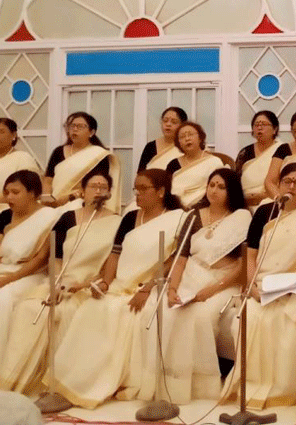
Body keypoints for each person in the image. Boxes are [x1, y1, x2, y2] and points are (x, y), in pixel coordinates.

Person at [53, 169, 186, 409]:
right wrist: (104, 282)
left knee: (123, 313)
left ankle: (115, 381)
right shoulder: (130, 217)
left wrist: (147, 288)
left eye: (144, 189)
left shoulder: (178, 218)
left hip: (155, 284)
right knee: (91, 309)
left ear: (161, 192)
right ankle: (72, 384)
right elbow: (115, 254)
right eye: (136, 188)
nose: (138, 194)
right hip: (120, 284)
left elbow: (174, 260)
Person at [222, 163, 296, 409]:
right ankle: (252, 386)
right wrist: (253, 285)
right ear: (278, 185)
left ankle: (286, 391)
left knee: (289, 323)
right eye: (286, 181)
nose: (291, 186)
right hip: (263, 284)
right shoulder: (264, 212)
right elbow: (251, 255)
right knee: (248, 319)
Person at [137, 168, 250, 404]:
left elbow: (242, 266)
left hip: (223, 280)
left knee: (201, 315)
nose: (214, 191)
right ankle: (169, 383)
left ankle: (200, 387)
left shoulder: (241, 218)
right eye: (211, 185)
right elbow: (181, 257)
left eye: (221, 186)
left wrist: (212, 289)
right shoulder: (194, 216)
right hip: (191, 274)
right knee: (164, 312)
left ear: (231, 191)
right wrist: (171, 289)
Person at [0, 172, 119, 394]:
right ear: (83, 191)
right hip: (60, 280)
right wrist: (55, 283)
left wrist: (89, 282)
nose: (98, 191)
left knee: (67, 313)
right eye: (93, 186)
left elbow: (112, 260)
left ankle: (63, 386)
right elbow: (54, 257)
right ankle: (16, 381)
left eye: (103, 187)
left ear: (110, 192)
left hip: (89, 284)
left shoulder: (117, 222)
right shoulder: (67, 218)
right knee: (28, 309)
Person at [0, 171, 58, 351]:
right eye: (7, 192)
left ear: (33, 193)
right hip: (4, 268)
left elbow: (41, 259)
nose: (9, 197)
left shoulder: (50, 216)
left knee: (4, 297)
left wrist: (9, 279)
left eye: (15, 192)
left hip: (31, 275)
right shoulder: (4, 216)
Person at [43, 112, 121, 209]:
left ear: (91, 132)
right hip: (52, 202)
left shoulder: (98, 155)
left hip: (80, 203)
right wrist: (47, 197)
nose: (75, 129)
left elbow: (98, 184)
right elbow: (48, 179)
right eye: (72, 126)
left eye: (80, 126)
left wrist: (69, 198)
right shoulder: (58, 151)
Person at [166, 121, 224, 209]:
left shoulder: (214, 162)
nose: (187, 139)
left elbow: (218, 192)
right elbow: (166, 191)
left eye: (190, 134)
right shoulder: (173, 164)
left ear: (200, 138)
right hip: (174, 208)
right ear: (179, 143)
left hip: (203, 208)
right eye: (182, 137)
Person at [235, 110, 280, 210]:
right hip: (245, 202)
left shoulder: (282, 149)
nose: (259, 127)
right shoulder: (245, 152)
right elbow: (235, 180)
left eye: (264, 124)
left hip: (271, 200)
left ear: (274, 129)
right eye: (256, 125)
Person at [0, 118, 41, 211]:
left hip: (10, 211)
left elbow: (27, 191)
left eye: (1, 132)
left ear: (13, 135)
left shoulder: (22, 158)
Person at [136, 107, 187, 172]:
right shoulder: (150, 147)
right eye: (165, 121)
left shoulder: (186, 146)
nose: (168, 124)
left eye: (174, 122)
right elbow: (140, 174)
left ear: (183, 125)